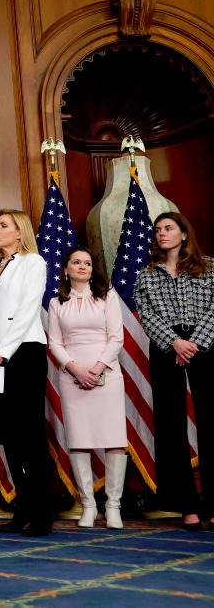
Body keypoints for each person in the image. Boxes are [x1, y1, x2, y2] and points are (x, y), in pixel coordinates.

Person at [134, 211, 214, 530]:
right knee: (171, 425)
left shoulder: (209, 267)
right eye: (158, 230)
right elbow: (147, 314)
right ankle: (186, 505)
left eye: (168, 228)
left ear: (183, 233)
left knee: (210, 423)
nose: (162, 234)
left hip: (204, 345)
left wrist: (194, 342)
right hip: (167, 349)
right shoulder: (148, 274)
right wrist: (175, 342)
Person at [0, 209, 51, 536]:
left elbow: (27, 310)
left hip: (25, 354)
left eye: (3, 225)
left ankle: (42, 513)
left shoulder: (33, 263)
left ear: (19, 232)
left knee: (31, 435)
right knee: (9, 435)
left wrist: (3, 351)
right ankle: (22, 507)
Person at [48, 247, 127, 529]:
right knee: (78, 438)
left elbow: (116, 338)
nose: (83, 266)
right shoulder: (57, 303)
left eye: (88, 263)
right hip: (72, 377)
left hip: (106, 375)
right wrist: (76, 369)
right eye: (76, 262)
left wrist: (96, 368)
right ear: (66, 269)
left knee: (114, 437)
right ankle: (89, 505)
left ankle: (114, 506)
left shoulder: (108, 296)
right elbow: (55, 343)